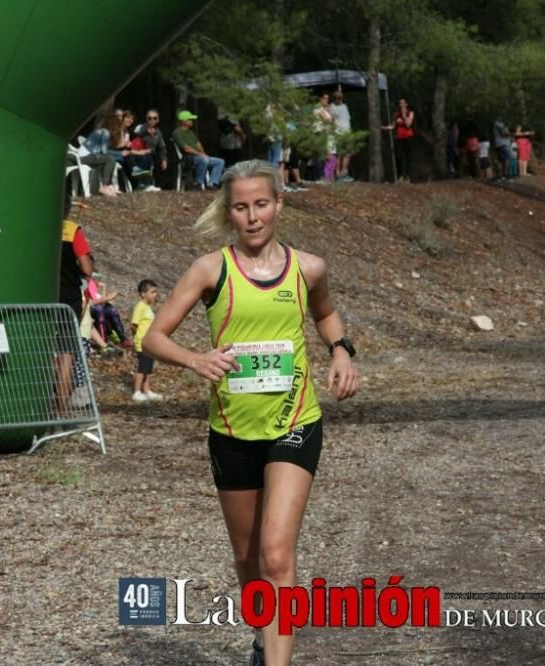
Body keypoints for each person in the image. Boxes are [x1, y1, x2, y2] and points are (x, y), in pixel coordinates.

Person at [143, 160, 359, 666]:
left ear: (279, 204)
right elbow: (152, 336)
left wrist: (342, 350)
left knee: (277, 554)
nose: (253, 216)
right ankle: (264, 634)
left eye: (262, 204)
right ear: (229, 212)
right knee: (248, 558)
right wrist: (197, 359)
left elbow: (325, 313)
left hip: (294, 422)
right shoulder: (209, 269)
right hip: (233, 431)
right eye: (241, 207)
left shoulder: (308, 268)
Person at [57, 203, 94, 414]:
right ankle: (61, 409)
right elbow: (87, 269)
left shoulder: (40, 226)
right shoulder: (72, 230)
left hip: (42, 294)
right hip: (68, 297)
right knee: (66, 354)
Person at [172, 110, 225, 189]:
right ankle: (198, 183)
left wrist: (204, 154)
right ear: (184, 121)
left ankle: (212, 183)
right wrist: (201, 155)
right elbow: (186, 148)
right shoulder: (177, 133)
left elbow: (198, 144)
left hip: (199, 157)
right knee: (204, 160)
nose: (192, 121)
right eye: (190, 120)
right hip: (188, 158)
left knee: (220, 162)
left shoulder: (191, 132)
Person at [131, 279, 161, 403]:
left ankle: (147, 390)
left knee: (148, 367)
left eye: (155, 292)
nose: (155, 295)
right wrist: (138, 338)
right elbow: (133, 325)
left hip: (149, 343)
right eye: (152, 292)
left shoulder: (148, 307)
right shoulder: (140, 307)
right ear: (143, 294)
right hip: (142, 343)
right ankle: (137, 392)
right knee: (142, 367)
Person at [382, 98, 414, 183]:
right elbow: (393, 126)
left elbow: (408, 125)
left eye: (403, 103)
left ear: (406, 104)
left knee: (408, 157)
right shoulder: (396, 114)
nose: (402, 105)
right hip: (399, 137)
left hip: (408, 137)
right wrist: (384, 127)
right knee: (398, 156)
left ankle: (407, 176)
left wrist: (404, 116)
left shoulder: (410, 113)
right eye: (400, 103)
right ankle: (400, 176)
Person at [328, 88, 353, 181]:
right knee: (339, 154)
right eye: (337, 97)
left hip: (347, 132)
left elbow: (348, 119)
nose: (339, 99)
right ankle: (338, 173)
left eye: (340, 97)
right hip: (338, 133)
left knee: (348, 153)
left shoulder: (345, 106)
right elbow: (330, 121)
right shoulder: (332, 107)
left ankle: (343, 173)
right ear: (334, 98)